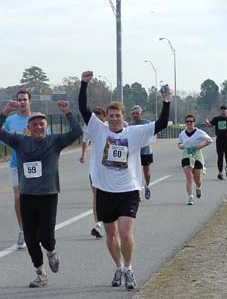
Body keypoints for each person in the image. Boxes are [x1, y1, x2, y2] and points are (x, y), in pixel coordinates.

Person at [78, 71, 171, 290]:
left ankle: (129, 268)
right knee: (110, 235)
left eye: (117, 115)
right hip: (104, 190)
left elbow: (161, 123)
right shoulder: (98, 130)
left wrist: (167, 101)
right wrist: (84, 84)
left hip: (128, 190)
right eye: (110, 116)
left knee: (126, 233)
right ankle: (119, 267)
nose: (113, 119)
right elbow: (83, 108)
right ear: (106, 118)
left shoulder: (134, 133)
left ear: (123, 116)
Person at [0, 100, 82, 288]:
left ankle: (51, 252)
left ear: (46, 127)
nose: (38, 127)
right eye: (34, 124)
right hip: (27, 196)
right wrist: (6, 111)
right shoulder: (20, 141)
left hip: (48, 195)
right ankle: (41, 273)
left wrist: (67, 113)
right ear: (29, 128)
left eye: (42, 124)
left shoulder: (55, 141)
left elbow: (76, 132)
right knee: (30, 237)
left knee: (46, 236)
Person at [3, 90, 32, 249]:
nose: (22, 102)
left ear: (29, 102)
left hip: (34, 166)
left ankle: (34, 228)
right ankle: (23, 230)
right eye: (19, 100)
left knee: (33, 199)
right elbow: (5, 140)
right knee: (18, 198)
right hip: (17, 164)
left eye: (25, 100)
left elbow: (46, 139)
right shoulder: (10, 121)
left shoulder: (37, 119)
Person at [79, 106, 106, 238]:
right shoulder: (89, 127)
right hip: (95, 168)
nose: (97, 121)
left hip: (110, 168)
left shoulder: (109, 126)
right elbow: (85, 141)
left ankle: (111, 222)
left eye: (100, 118)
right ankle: (98, 225)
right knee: (96, 196)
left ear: (104, 117)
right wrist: (83, 154)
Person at [178, 115, 213, 205]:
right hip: (186, 155)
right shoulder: (182, 133)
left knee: (197, 179)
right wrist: (182, 146)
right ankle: (190, 197)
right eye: (187, 122)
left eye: (191, 121)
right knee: (189, 177)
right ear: (185, 123)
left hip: (197, 156)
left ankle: (198, 187)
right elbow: (179, 144)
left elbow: (210, 140)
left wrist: (200, 146)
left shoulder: (199, 132)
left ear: (194, 122)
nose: (189, 123)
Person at [129, 105, 154, 200]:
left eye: (137, 113)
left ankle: (147, 186)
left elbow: (153, 132)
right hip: (135, 151)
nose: (135, 115)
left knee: (146, 169)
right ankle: (137, 191)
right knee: (135, 171)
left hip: (146, 150)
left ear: (141, 114)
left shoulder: (146, 123)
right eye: (133, 114)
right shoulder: (130, 125)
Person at [205, 105, 227, 180]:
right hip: (219, 140)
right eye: (222, 110)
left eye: (225, 110)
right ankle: (220, 173)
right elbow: (210, 125)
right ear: (220, 111)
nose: (223, 111)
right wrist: (207, 122)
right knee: (220, 156)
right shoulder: (217, 119)